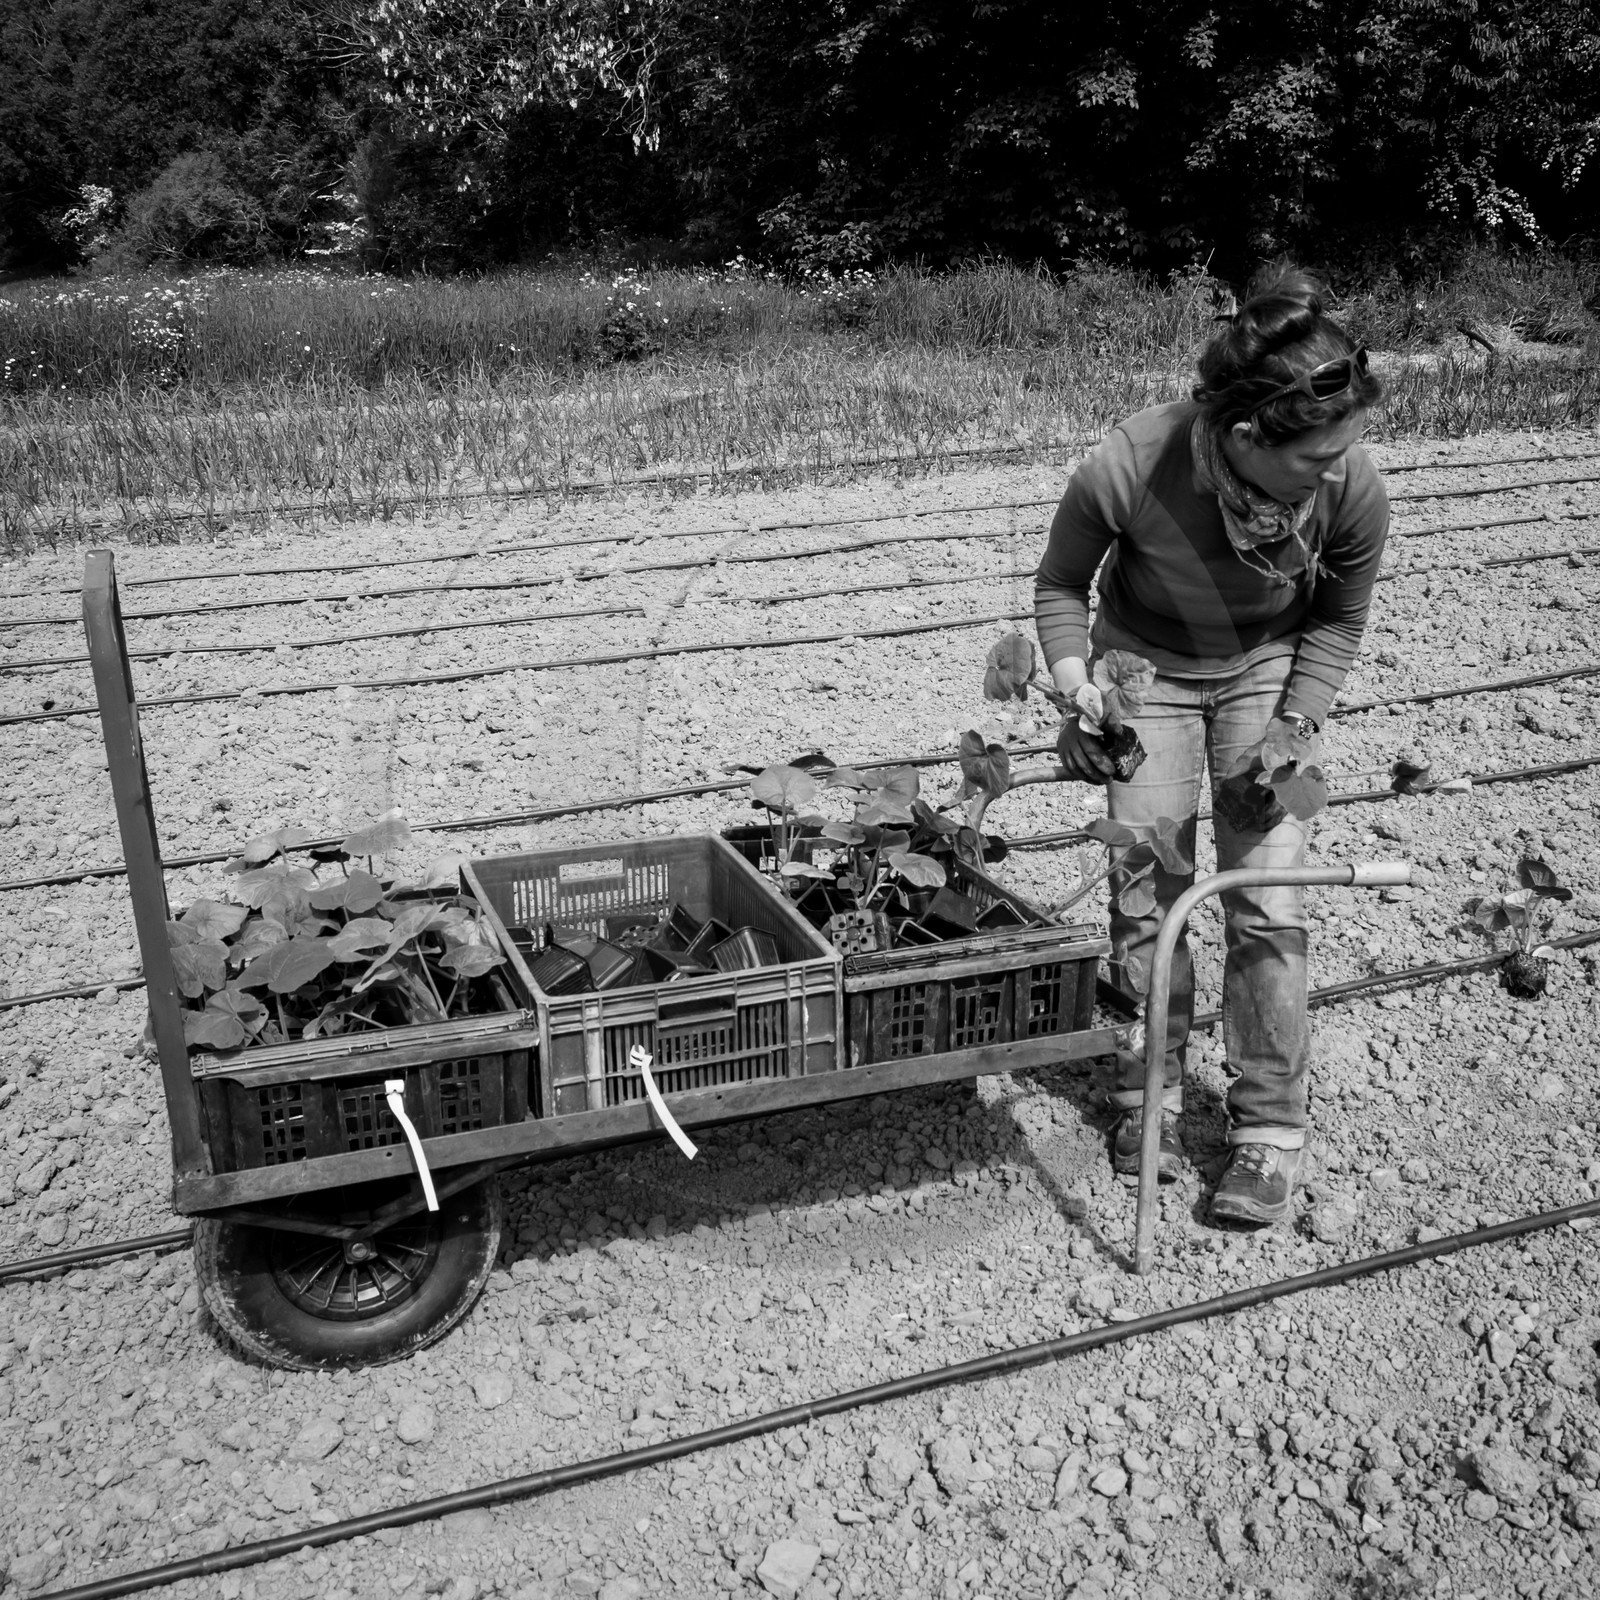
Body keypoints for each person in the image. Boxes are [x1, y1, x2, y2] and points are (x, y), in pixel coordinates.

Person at [1034, 266, 1388, 1224]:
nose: (1337, 470)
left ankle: (1266, 1133)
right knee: (1148, 893)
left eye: (1343, 451)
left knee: (1264, 898)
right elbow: (1062, 589)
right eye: (1314, 458)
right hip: (1145, 667)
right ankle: (1147, 1093)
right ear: (1243, 439)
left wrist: (1295, 724)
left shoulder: (1350, 484)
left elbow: (1338, 622)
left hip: (1265, 670)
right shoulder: (1131, 463)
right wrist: (1082, 694)